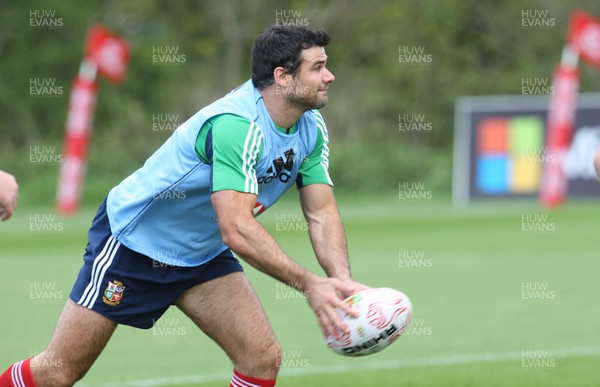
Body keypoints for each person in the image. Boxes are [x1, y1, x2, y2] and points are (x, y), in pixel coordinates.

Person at [0, 24, 367, 387]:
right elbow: (236, 228)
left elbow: (320, 212)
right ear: (282, 77)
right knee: (58, 372)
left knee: (260, 358)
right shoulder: (237, 127)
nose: (329, 76)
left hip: (201, 254)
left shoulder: (311, 127)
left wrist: (341, 278)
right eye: (317, 67)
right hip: (136, 244)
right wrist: (309, 284)